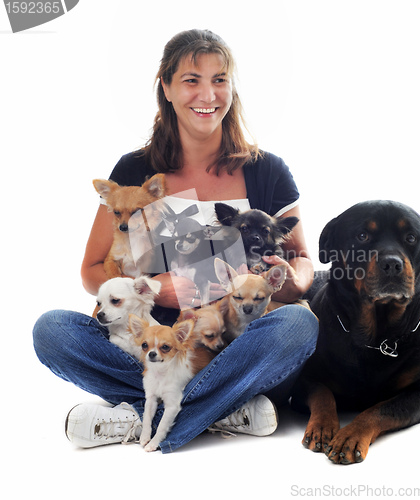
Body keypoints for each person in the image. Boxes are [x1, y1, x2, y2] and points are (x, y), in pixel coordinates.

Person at [33, 29, 318, 453]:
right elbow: (92, 272)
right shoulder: (134, 171)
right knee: (52, 330)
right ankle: (225, 408)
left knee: (299, 324)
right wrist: (152, 288)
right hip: (159, 346)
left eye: (219, 80)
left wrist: (297, 281)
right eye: (191, 80)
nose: (208, 94)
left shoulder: (267, 170)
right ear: (166, 87)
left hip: (237, 343)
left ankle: (143, 416)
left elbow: (302, 259)